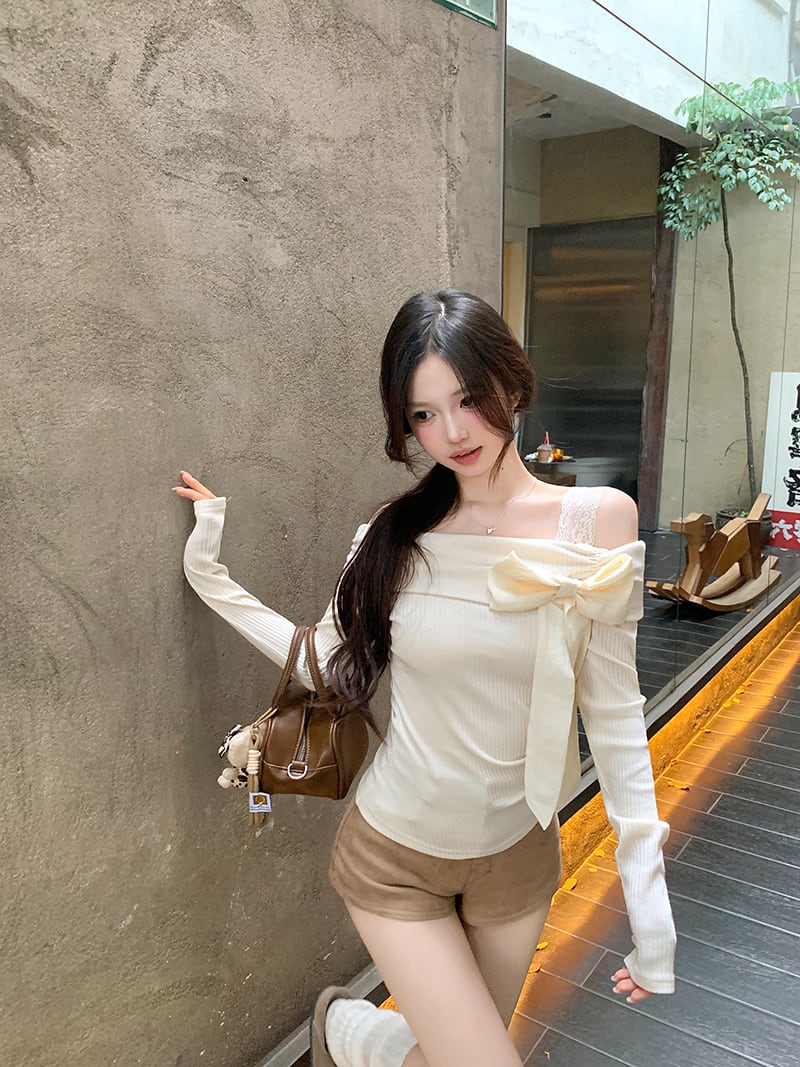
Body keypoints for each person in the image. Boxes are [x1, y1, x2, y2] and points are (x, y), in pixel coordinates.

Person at [174, 290, 676, 1067]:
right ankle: (356, 1031)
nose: (453, 432)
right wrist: (209, 566)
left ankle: (351, 1034)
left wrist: (649, 907)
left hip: (518, 857)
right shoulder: (392, 538)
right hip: (395, 855)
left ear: (511, 380)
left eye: (468, 399)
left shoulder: (595, 521)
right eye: (424, 414)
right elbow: (317, 661)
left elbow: (612, 716)